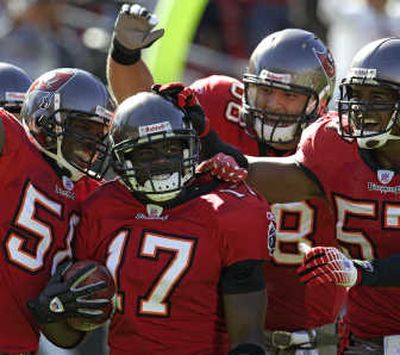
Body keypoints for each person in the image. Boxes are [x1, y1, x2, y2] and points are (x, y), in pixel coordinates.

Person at [106, 3, 346, 353]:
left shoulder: (331, 136)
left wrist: (212, 148)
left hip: (309, 338)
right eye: (264, 90)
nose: (273, 104)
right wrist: (125, 55)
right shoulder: (221, 100)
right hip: (219, 330)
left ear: (319, 102)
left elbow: (283, 179)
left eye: (289, 95)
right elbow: (146, 115)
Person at [204, 37, 400, 354]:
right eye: (357, 95)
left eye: (377, 97)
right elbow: (280, 177)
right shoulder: (335, 142)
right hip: (363, 341)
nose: (362, 109)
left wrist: (362, 272)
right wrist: (208, 144)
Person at [70, 88, 275, 354]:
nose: (162, 162)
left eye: (171, 148)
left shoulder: (228, 209)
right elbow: (70, 325)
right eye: (146, 154)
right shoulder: (102, 207)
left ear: (191, 145)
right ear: (122, 160)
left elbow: (248, 339)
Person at [0, 67, 116, 354]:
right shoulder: (14, 144)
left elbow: (68, 338)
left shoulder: (91, 195)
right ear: (45, 120)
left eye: (100, 133)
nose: (94, 142)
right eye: (84, 128)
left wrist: (56, 310)